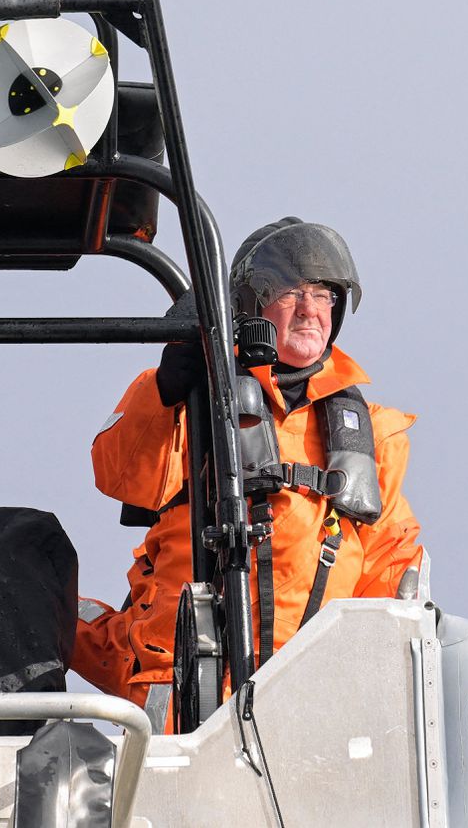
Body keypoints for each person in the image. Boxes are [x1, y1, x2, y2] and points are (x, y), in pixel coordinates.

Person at [71, 218, 422, 708]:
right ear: (251, 305)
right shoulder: (189, 395)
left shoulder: (372, 432)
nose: (309, 310)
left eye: (323, 296)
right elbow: (118, 475)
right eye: (290, 292)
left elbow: (390, 565)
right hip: (179, 685)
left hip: (306, 697)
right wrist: (169, 386)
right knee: (35, 602)